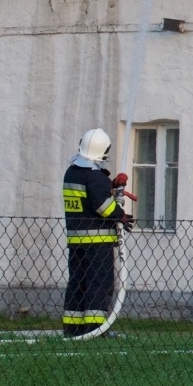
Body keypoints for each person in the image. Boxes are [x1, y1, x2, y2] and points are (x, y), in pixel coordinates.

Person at [62, 129, 132, 337]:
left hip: (76, 241)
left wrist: (110, 187)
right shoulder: (95, 176)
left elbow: (88, 196)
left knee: (77, 283)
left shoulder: (71, 172)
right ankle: (95, 329)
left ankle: (73, 328)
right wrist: (121, 216)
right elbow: (102, 205)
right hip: (98, 242)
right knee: (98, 284)